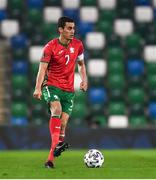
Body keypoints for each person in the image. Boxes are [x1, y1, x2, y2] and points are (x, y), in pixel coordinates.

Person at [33, 16, 88, 168]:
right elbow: (42, 69)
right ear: (60, 30)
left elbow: (81, 65)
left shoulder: (78, 45)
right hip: (51, 86)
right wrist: (38, 88)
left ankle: (50, 160)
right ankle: (56, 147)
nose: (72, 31)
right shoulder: (50, 47)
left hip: (68, 90)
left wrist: (84, 79)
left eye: (73, 28)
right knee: (56, 109)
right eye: (69, 28)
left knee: (63, 125)